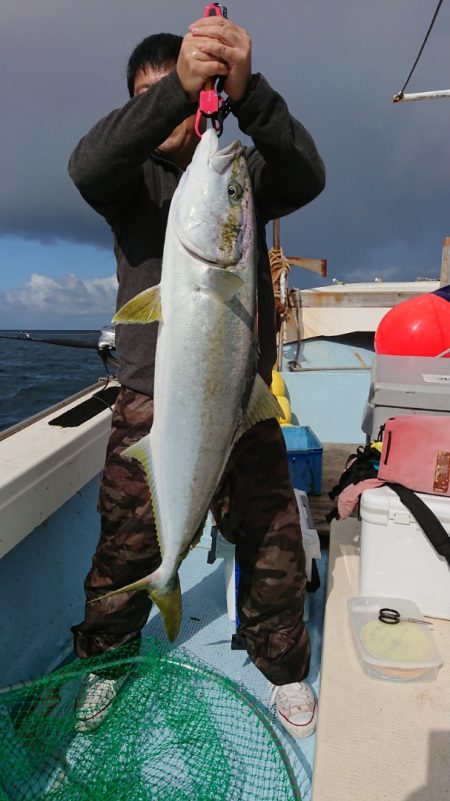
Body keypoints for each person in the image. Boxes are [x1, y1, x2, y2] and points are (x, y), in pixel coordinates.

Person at [69, 14, 325, 739]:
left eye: (189, 97)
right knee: (126, 546)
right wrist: (175, 90)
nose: (179, 116)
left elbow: (309, 172)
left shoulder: (234, 176)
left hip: (240, 402)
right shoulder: (132, 184)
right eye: (158, 101)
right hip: (151, 403)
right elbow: (86, 164)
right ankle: (106, 663)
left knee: (274, 540)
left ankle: (283, 669)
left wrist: (251, 96)